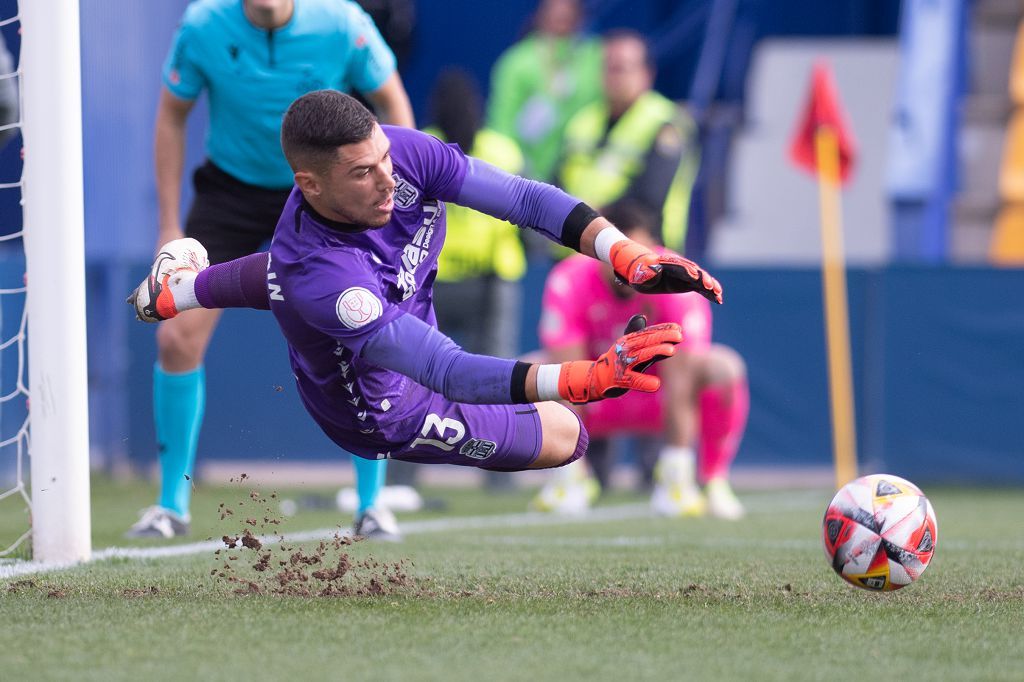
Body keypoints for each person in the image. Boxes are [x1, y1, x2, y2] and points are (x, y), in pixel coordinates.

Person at [127, 90, 724, 488]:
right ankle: (184, 289)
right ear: (309, 184)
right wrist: (583, 379)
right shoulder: (324, 279)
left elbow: (524, 199)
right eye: (363, 173)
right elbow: (449, 373)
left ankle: (180, 289)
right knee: (569, 434)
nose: (389, 180)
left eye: (383, 158)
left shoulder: (399, 155)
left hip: (388, 318)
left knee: (286, 278)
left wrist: (626, 253)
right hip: (383, 405)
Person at [128, 0, 415, 541]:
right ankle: (170, 506)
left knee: (365, 330)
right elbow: (171, 115)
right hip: (230, 193)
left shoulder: (343, 24)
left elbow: (393, 104)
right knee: (176, 340)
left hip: (325, 196)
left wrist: (393, 203)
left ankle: (372, 506)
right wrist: (169, 223)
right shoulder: (202, 26)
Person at [532, 201, 748, 519]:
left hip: (660, 395)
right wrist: (572, 460)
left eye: (637, 250)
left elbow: (682, 376)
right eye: (621, 252)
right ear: (599, 251)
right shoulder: (569, 279)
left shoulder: (675, 276)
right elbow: (566, 371)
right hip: (596, 393)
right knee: (531, 372)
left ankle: (700, 479)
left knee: (725, 368)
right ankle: (569, 475)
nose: (629, 265)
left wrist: (677, 458)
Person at [419, 68, 527, 491]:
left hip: (437, 278)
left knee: (414, 376)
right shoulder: (504, 150)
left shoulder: (420, 144)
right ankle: (503, 475)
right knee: (499, 377)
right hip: (482, 279)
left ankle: (400, 478)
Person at [556, 29, 698, 253]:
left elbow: (649, 198)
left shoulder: (665, 123)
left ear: (646, 74)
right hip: (576, 250)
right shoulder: (582, 121)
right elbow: (557, 178)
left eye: (621, 68)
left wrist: (588, 215)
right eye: (608, 68)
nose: (613, 76)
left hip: (643, 251)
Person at [487, 0, 602, 183]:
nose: (562, 14)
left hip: (580, 170)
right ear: (540, 14)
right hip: (526, 174)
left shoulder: (595, 57)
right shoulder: (517, 62)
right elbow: (502, 123)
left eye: (568, 9)